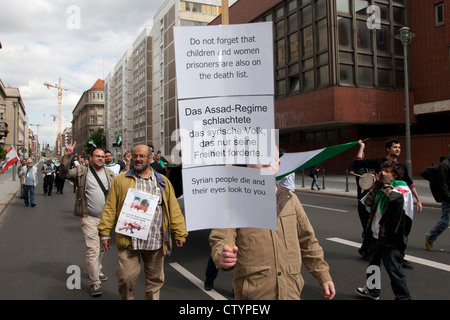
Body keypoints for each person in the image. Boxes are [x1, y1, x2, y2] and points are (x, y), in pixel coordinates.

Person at [209, 147, 336, 300]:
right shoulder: (234, 201)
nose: (267, 168)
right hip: (254, 294)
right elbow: (219, 239)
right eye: (261, 163)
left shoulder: (291, 199)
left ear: (278, 164)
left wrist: (323, 275)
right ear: (249, 165)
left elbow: (308, 241)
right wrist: (221, 257)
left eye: (270, 163)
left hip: (291, 292)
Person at [98, 145, 188, 300]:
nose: (138, 159)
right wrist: (105, 233)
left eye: (142, 156)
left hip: (155, 241)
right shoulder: (121, 180)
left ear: (150, 158)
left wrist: (180, 232)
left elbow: (173, 209)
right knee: (125, 278)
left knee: (155, 281)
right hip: (129, 240)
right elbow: (110, 208)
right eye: (135, 156)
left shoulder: (162, 182)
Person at [60, 141, 116, 297]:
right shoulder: (81, 172)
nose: (100, 159)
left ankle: (97, 269)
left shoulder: (110, 174)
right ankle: (94, 282)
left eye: (102, 157)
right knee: (93, 249)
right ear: (90, 158)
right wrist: (67, 156)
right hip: (89, 218)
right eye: (97, 156)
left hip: (106, 220)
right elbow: (63, 174)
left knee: (103, 247)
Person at [354, 139, 421, 268]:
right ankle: (372, 253)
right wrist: (362, 146)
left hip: (394, 203)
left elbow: (409, 182)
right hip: (380, 202)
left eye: (399, 147)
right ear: (388, 149)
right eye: (395, 147)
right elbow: (358, 162)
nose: (398, 149)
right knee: (375, 230)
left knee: (398, 231)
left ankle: (398, 257)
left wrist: (418, 199)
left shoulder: (401, 166)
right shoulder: (378, 162)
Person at [356, 160, 413, 300]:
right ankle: (372, 290)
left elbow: (396, 201)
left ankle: (403, 297)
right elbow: (367, 202)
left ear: (395, 174)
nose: (383, 174)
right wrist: (376, 185)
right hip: (376, 235)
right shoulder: (382, 188)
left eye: (387, 171)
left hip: (391, 237)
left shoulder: (402, 188)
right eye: (382, 171)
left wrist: (386, 184)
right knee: (373, 264)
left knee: (394, 271)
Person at [425, 144, 450, 250]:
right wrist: (448, 197)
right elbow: (442, 184)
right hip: (448, 196)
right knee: (445, 221)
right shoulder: (445, 165)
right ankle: (430, 237)